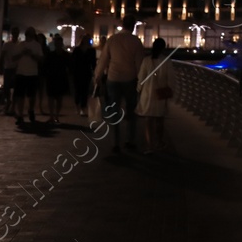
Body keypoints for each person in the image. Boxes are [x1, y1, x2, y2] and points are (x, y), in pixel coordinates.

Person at [93, 25, 145, 153]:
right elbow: (139, 63)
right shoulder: (136, 41)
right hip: (130, 78)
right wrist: (141, 81)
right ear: (133, 26)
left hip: (113, 78)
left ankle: (115, 143)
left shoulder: (112, 40)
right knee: (131, 111)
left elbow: (103, 59)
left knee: (114, 111)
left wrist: (98, 76)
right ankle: (130, 140)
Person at [136, 38, 174, 154]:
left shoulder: (146, 60)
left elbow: (141, 78)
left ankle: (150, 145)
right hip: (160, 94)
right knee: (159, 120)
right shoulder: (166, 61)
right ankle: (159, 142)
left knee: (148, 121)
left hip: (147, 94)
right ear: (163, 48)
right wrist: (170, 92)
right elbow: (171, 80)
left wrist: (138, 90)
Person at [10, 27, 43, 125]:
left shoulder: (37, 45)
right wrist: (22, 53)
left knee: (31, 95)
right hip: (21, 73)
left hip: (32, 73)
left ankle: (31, 110)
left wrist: (31, 54)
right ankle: (20, 115)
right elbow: (13, 58)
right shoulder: (20, 45)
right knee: (20, 95)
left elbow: (40, 59)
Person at [42, 34, 70, 124]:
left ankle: (56, 115)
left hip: (60, 77)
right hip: (52, 77)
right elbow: (46, 66)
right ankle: (52, 115)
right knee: (51, 97)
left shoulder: (65, 55)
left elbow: (69, 66)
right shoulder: (51, 55)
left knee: (59, 98)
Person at [69, 37, 96, 118]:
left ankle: (82, 108)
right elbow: (73, 61)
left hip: (86, 73)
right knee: (78, 90)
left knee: (85, 91)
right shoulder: (77, 50)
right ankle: (78, 106)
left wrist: (94, 72)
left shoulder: (91, 51)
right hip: (77, 72)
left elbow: (93, 63)